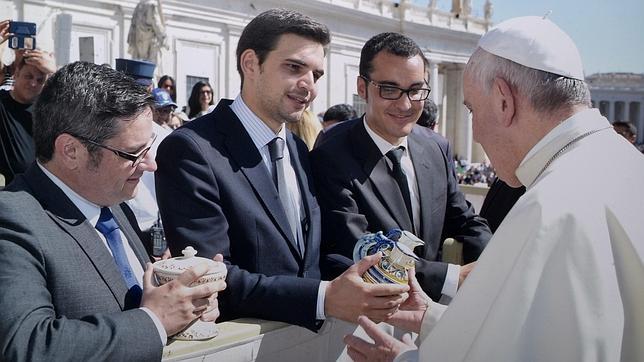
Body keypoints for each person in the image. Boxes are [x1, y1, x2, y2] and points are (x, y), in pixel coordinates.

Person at [345, 16, 644, 361]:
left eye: (471, 108)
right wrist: (432, 318)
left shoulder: (550, 209)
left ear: (504, 100)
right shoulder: (624, 163)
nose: (474, 133)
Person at [155, 8, 409, 332]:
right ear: (251, 63)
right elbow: (211, 275)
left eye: (316, 75)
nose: (309, 86)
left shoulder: (299, 150)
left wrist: (367, 281)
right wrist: (324, 297)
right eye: (294, 67)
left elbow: (311, 258)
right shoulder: (191, 150)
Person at [0, 61, 226, 360]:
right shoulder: (13, 219)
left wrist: (186, 302)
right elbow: (26, 346)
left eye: (149, 149)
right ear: (71, 151)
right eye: (133, 153)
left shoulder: (114, 202)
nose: (150, 165)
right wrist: (155, 321)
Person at [310, 32, 491, 302]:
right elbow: (360, 248)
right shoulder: (330, 154)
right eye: (389, 89)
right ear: (362, 87)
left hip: (431, 313)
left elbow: (464, 220)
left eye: (416, 90)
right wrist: (453, 278)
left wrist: (493, 264)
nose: (405, 104)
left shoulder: (436, 147)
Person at [0, 43, 56, 183]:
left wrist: (55, 72)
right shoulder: (2, 103)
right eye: (28, 76)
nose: (33, 84)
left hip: (42, 190)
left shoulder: (49, 110)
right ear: (16, 74)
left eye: (40, 80)